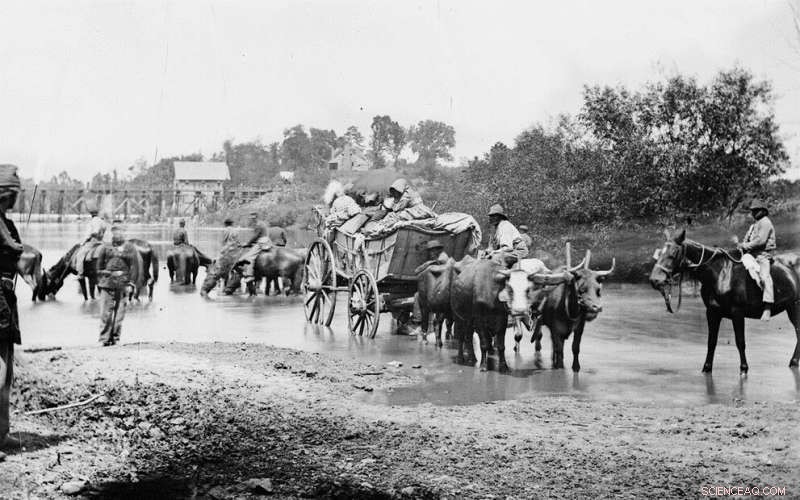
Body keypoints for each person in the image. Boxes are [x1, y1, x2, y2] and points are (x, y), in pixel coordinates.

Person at [0, 165, 23, 452]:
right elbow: (20, 253)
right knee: (1, 367)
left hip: (5, 295)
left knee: (6, 367)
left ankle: (2, 433)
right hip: (0, 298)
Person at [96, 227, 135, 346]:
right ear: (112, 235)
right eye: (116, 233)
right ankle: (104, 339)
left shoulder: (129, 249)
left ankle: (116, 338)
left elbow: (132, 267)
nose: (119, 235)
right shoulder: (104, 248)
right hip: (107, 284)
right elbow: (98, 269)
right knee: (105, 314)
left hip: (122, 284)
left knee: (119, 314)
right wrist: (110, 273)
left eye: (121, 233)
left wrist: (130, 283)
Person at [738, 199, 776, 321]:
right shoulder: (753, 225)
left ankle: (768, 307)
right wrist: (741, 245)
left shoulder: (765, 222)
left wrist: (745, 245)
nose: (753, 213)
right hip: (751, 254)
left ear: (763, 211)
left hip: (763, 255)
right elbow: (747, 240)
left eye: (756, 210)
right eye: (752, 211)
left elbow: (760, 241)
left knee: (765, 277)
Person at [75, 203, 108, 280]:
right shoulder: (103, 222)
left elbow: (90, 234)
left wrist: (84, 241)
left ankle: (80, 274)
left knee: (80, 254)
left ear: (91, 214)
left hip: (93, 242)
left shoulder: (92, 222)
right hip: (101, 241)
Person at [240, 212, 272, 284]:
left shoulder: (258, 225)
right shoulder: (262, 223)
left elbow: (255, 236)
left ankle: (250, 275)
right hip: (266, 240)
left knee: (249, 257)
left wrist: (247, 244)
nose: (252, 220)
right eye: (251, 218)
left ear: (256, 217)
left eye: (253, 218)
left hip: (261, 242)